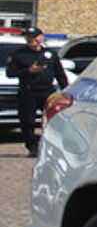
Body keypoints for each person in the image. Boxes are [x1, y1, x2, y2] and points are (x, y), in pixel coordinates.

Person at [6, 28, 69, 156]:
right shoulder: (19, 54)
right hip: (28, 92)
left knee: (54, 120)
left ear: (41, 38)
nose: (31, 40)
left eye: (34, 37)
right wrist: (29, 71)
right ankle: (32, 147)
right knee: (28, 121)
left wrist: (66, 90)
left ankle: (53, 147)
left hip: (48, 92)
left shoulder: (50, 54)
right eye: (28, 37)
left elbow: (60, 73)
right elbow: (10, 73)